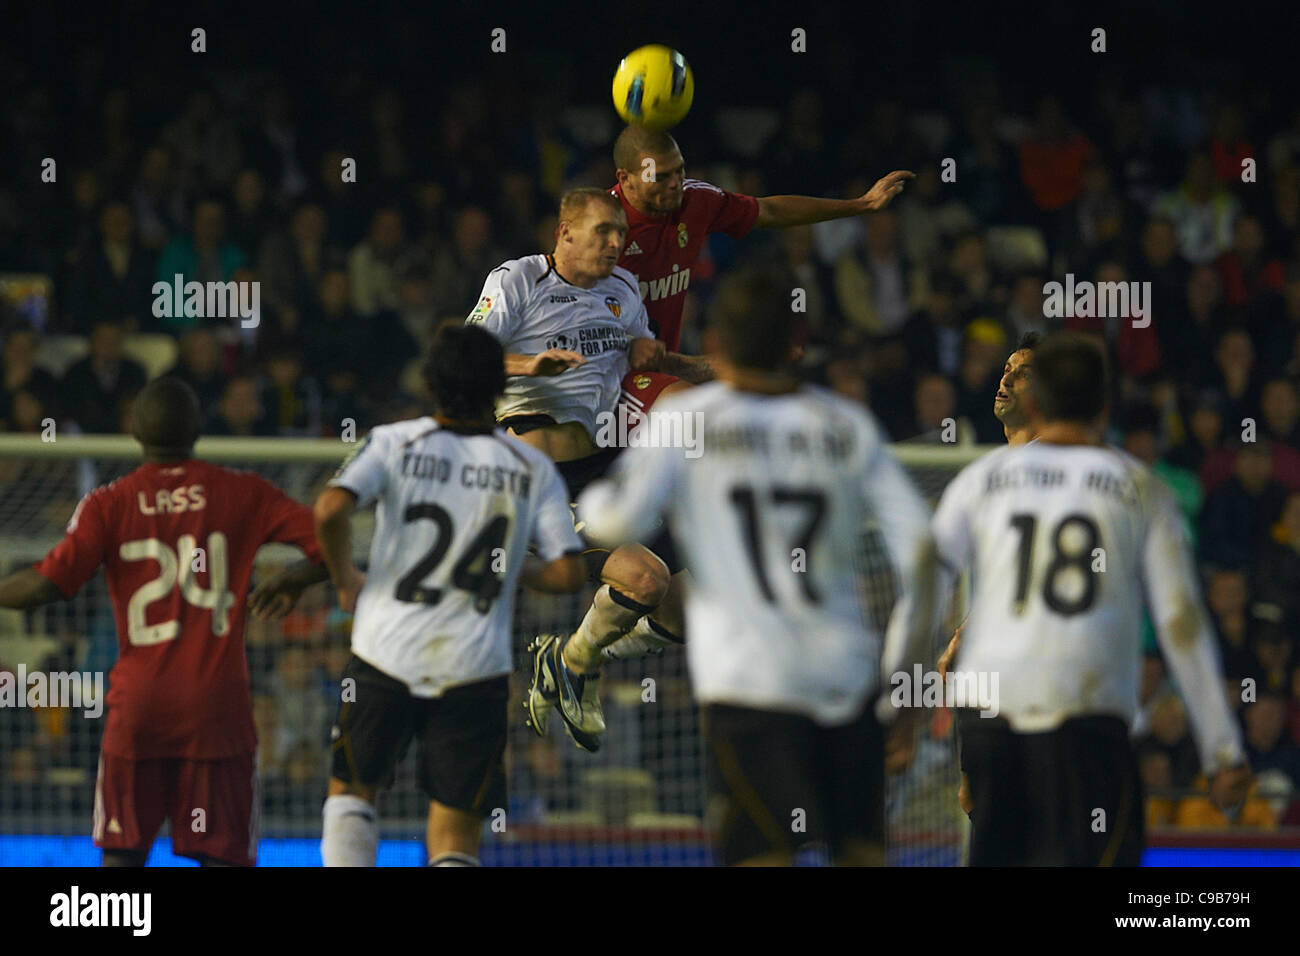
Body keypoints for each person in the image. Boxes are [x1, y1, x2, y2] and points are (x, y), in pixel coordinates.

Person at [576, 267, 934, 865]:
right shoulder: (845, 424)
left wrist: (585, 499)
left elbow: (616, 522)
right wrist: (905, 678)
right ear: (796, 346)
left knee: (762, 852)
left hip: (749, 682)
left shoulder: (689, 418)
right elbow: (921, 549)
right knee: (863, 852)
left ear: (715, 345)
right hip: (846, 673)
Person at [883, 332, 1252, 865]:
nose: (1006, 379)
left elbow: (922, 594)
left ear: (1040, 401)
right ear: (1103, 407)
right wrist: (1222, 750)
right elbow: (1181, 623)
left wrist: (897, 707)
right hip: (1085, 720)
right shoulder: (1138, 488)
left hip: (996, 720)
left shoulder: (981, 481)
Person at [0, 377, 326, 866]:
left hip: (139, 710)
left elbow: (45, 586)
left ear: (134, 431)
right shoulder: (242, 493)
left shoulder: (107, 504)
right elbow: (329, 539)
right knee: (224, 856)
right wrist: (295, 579)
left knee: (122, 857)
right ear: (198, 429)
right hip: (217, 709)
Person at [310, 325, 585, 867]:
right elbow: (569, 573)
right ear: (498, 389)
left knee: (352, 796)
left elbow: (329, 508)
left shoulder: (395, 441)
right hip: (473, 667)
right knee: (455, 831)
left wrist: (344, 578)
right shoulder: (532, 467)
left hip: (384, 653)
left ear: (431, 383)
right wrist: (507, 565)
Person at [466, 187, 701, 752]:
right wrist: (529, 364)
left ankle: (572, 659)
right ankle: (574, 663)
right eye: (602, 232)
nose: (617, 243)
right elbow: (463, 358)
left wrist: (717, 368)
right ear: (564, 232)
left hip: (606, 465)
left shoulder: (623, 290)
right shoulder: (517, 280)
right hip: (539, 477)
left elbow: (648, 361)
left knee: (689, 611)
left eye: (621, 233)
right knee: (644, 579)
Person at [937, 331, 1040, 814]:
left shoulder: (1041, 469)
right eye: (1007, 368)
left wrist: (967, 633)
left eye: (1023, 374)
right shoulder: (1006, 467)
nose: (1007, 378)